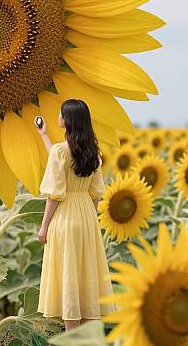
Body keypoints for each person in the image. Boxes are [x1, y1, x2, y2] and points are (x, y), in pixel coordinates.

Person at [35, 98, 117, 331]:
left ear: (67, 120)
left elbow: (54, 194)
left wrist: (43, 227)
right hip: (87, 216)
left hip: (65, 217)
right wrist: (44, 136)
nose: (58, 117)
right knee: (87, 276)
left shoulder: (61, 152)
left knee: (69, 280)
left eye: (61, 113)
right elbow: (96, 193)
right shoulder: (92, 152)